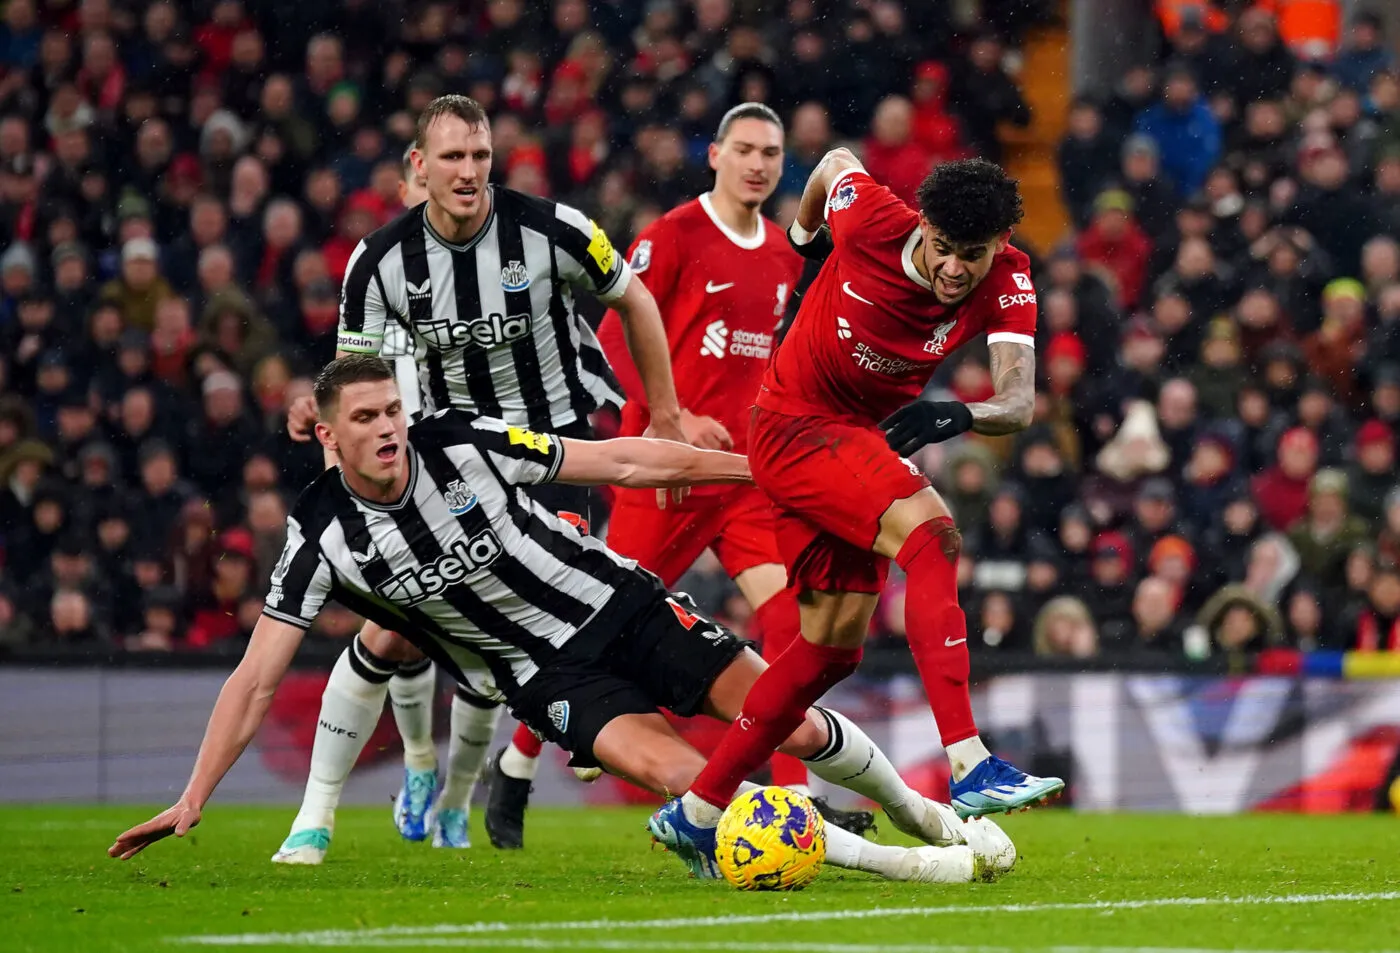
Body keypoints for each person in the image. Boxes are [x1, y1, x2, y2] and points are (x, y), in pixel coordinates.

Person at [108, 355, 1017, 886]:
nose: (389, 427)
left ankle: (915, 808)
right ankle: (915, 868)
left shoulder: (458, 441)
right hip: (548, 678)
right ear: (327, 434)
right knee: (686, 775)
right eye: (367, 418)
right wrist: (194, 796)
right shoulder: (319, 538)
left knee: (787, 716)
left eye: (393, 409)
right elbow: (256, 676)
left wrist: (762, 469)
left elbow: (616, 459)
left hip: (621, 604)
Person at [274, 95, 686, 861]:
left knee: (512, 648)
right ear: (418, 168)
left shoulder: (555, 230)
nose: (469, 172)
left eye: (481, 156)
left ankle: (466, 793)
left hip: (556, 453)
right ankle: (325, 811)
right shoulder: (380, 260)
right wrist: (347, 483)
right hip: (449, 458)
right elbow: (355, 379)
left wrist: (664, 414)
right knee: (393, 630)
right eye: (453, 158)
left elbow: (633, 296)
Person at [648, 152, 1064, 874]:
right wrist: (805, 235)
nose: (956, 270)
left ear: (999, 244)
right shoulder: (869, 216)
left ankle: (698, 809)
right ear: (924, 225)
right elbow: (834, 162)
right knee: (933, 535)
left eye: (974, 255)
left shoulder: (1010, 276)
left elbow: (1019, 400)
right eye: (943, 248)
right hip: (792, 425)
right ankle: (969, 762)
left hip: (853, 442)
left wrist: (957, 415)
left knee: (828, 650)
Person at [484, 102, 873, 849]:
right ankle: (517, 762)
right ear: (716, 155)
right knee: (588, 631)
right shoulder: (673, 234)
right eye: (746, 149)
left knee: (791, 627)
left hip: (741, 480)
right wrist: (677, 414)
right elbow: (611, 344)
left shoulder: (786, 255)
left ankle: (797, 802)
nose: (759, 163)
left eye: (772, 152)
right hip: (663, 476)